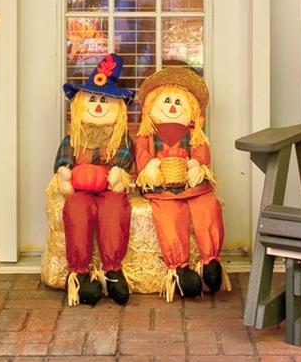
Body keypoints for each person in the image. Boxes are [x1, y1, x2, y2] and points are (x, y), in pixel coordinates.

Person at [47, 54, 135, 306]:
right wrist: (64, 172)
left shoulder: (120, 138)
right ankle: (80, 274)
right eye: (93, 99)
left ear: (118, 106)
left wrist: (118, 171)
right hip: (80, 188)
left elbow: (125, 158)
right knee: (76, 211)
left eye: (105, 100)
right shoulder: (75, 137)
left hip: (109, 187)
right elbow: (63, 161)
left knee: (114, 211)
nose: (98, 105)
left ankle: (113, 270)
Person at [133, 64, 225, 300]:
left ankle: (210, 262)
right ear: (150, 106)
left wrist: (197, 165)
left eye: (179, 102)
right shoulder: (147, 136)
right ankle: (180, 269)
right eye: (166, 101)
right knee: (169, 216)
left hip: (192, 187)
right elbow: (142, 157)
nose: (173, 107)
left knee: (208, 207)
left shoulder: (194, 134)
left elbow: (201, 155)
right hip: (162, 189)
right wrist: (150, 166)